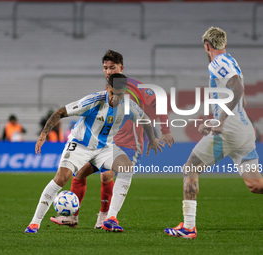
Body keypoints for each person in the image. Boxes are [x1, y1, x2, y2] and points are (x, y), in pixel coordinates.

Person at [25, 73, 164, 233]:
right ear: (107, 89)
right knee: (61, 179)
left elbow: (144, 118)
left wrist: (152, 139)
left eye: (120, 94)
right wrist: (43, 134)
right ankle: (35, 223)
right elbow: (61, 112)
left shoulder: (127, 105)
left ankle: (111, 218)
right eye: (113, 93)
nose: (115, 98)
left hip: (104, 149)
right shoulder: (93, 101)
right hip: (80, 145)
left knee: (127, 168)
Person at [51, 49, 174, 229]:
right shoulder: (108, 90)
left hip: (129, 144)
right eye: (106, 68)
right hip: (108, 143)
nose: (109, 71)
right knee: (81, 173)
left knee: (108, 174)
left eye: (113, 67)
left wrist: (165, 130)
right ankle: (78, 217)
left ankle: (105, 217)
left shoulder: (134, 87)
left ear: (121, 67)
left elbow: (159, 101)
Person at [164, 27, 263, 240]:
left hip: (229, 130)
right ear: (224, 44)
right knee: (256, 185)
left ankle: (189, 227)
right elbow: (237, 98)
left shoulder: (216, 63)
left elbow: (237, 89)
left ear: (207, 46)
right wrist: (212, 122)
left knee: (190, 168)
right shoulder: (231, 61)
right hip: (244, 129)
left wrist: (221, 121)